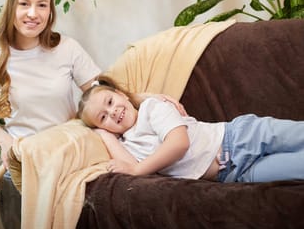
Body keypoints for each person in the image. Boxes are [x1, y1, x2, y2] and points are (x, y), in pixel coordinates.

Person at [0, 0, 185, 229]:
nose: (32, 13)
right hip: (22, 161)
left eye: (42, 5)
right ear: (12, 5)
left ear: (51, 12)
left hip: (68, 155)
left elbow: (100, 90)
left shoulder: (66, 49)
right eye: (24, 4)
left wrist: (140, 97)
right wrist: (7, 143)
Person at [77, 75, 304, 183]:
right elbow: (128, 164)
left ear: (121, 95)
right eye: (103, 117)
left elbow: (178, 143)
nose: (113, 112)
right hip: (234, 174)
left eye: (110, 102)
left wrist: (137, 171)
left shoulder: (151, 108)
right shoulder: (128, 145)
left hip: (241, 138)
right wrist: (106, 137)